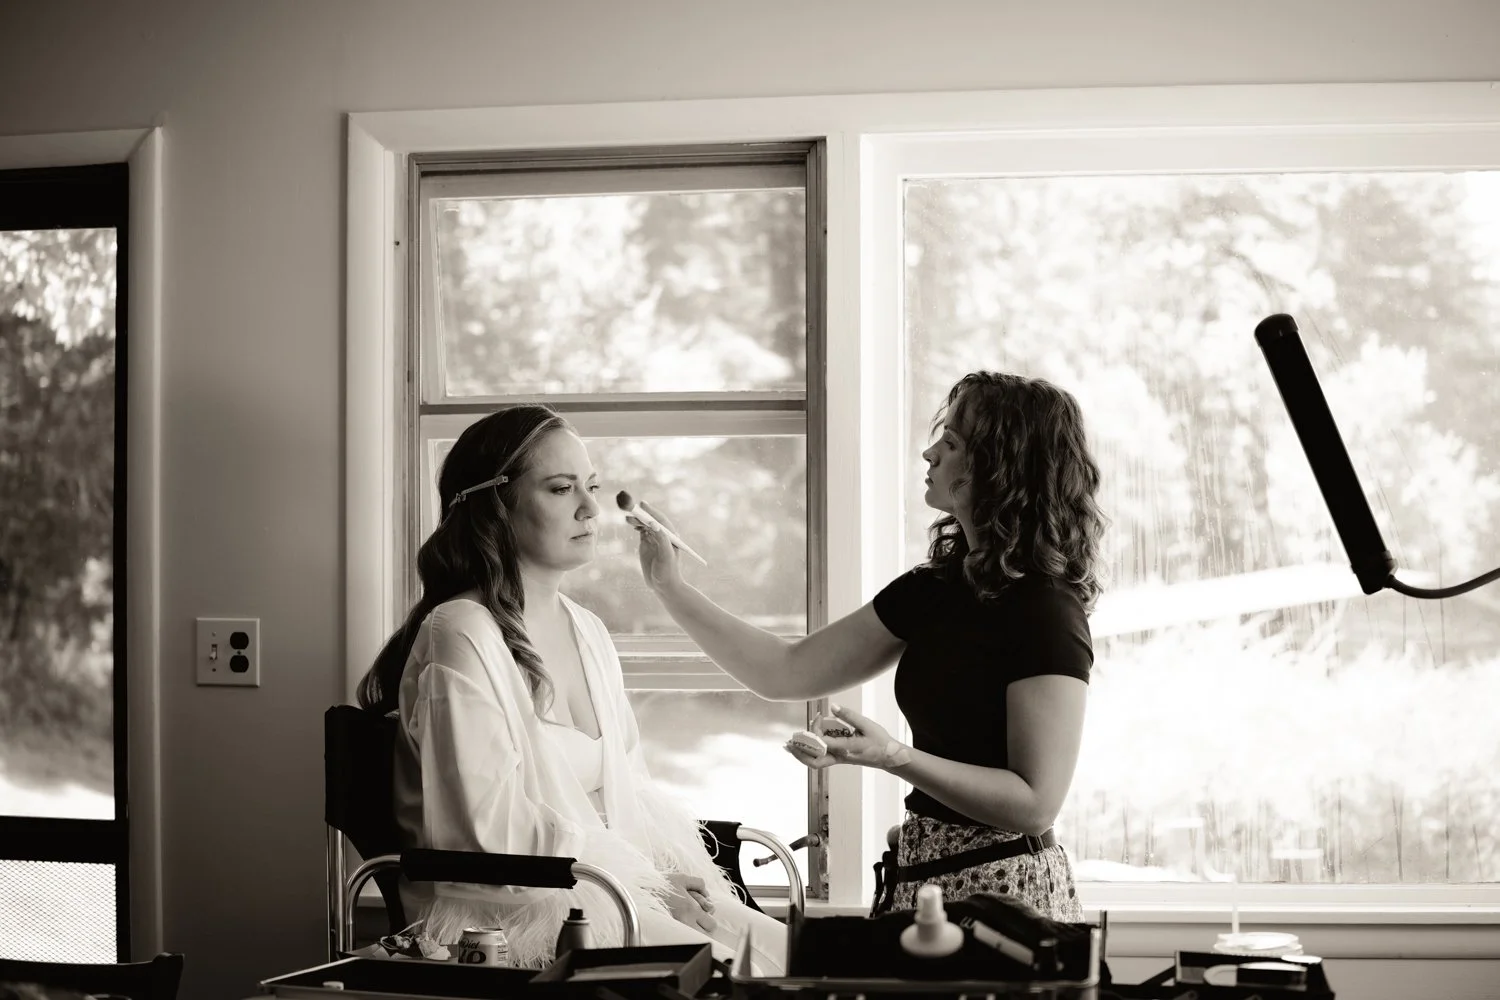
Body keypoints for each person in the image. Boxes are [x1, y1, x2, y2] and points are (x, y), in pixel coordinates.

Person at [632, 371, 1104, 921]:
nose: (928, 453)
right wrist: (670, 585)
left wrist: (892, 757)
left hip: (1005, 899)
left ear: (1000, 468)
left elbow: (1034, 803)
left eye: (950, 443)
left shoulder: (1044, 610)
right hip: (920, 885)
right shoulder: (933, 589)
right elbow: (784, 672)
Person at [355, 404, 787, 973]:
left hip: (595, 884)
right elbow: (487, 837)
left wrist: (656, 882)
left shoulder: (588, 630)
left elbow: (626, 791)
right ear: (495, 507)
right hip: (511, 911)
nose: (590, 508)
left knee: (786, 954)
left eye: (592, 486)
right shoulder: (461, 633)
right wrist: (629, 890)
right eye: (561, 489)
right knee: (726, 970)